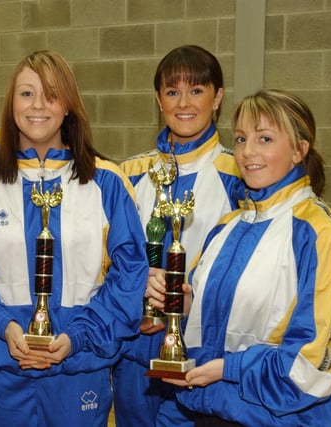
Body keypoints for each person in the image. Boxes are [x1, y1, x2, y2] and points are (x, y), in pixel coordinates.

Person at [0, 50, 148, 427]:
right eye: (26, 94)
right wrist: (3, 328)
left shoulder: (107, 184)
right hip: (1, 371)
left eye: (51, 94)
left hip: (80, 370)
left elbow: (128, 279)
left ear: (68, 105)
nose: (38, 106)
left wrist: (78, 337)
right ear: (10, 104)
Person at [162, 89, 331, 426]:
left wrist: (230, 368)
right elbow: (208, 319)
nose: (247, 152)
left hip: (274, 417)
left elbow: (316, 364)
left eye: (264, 138)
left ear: (299, 150)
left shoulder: (318, 232)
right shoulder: (227, 226)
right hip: (200, 405)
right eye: (240, 139)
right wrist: (180, 300)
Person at [114, 45, 242, 427]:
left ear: (218, 97)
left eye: (197, 90)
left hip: (204, 345)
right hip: (137, 338)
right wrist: (136, 287)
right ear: (158, 99)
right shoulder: (128, 173)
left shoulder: (240, 177)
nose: (184, 103)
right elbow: (110, 258)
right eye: (172, 92)